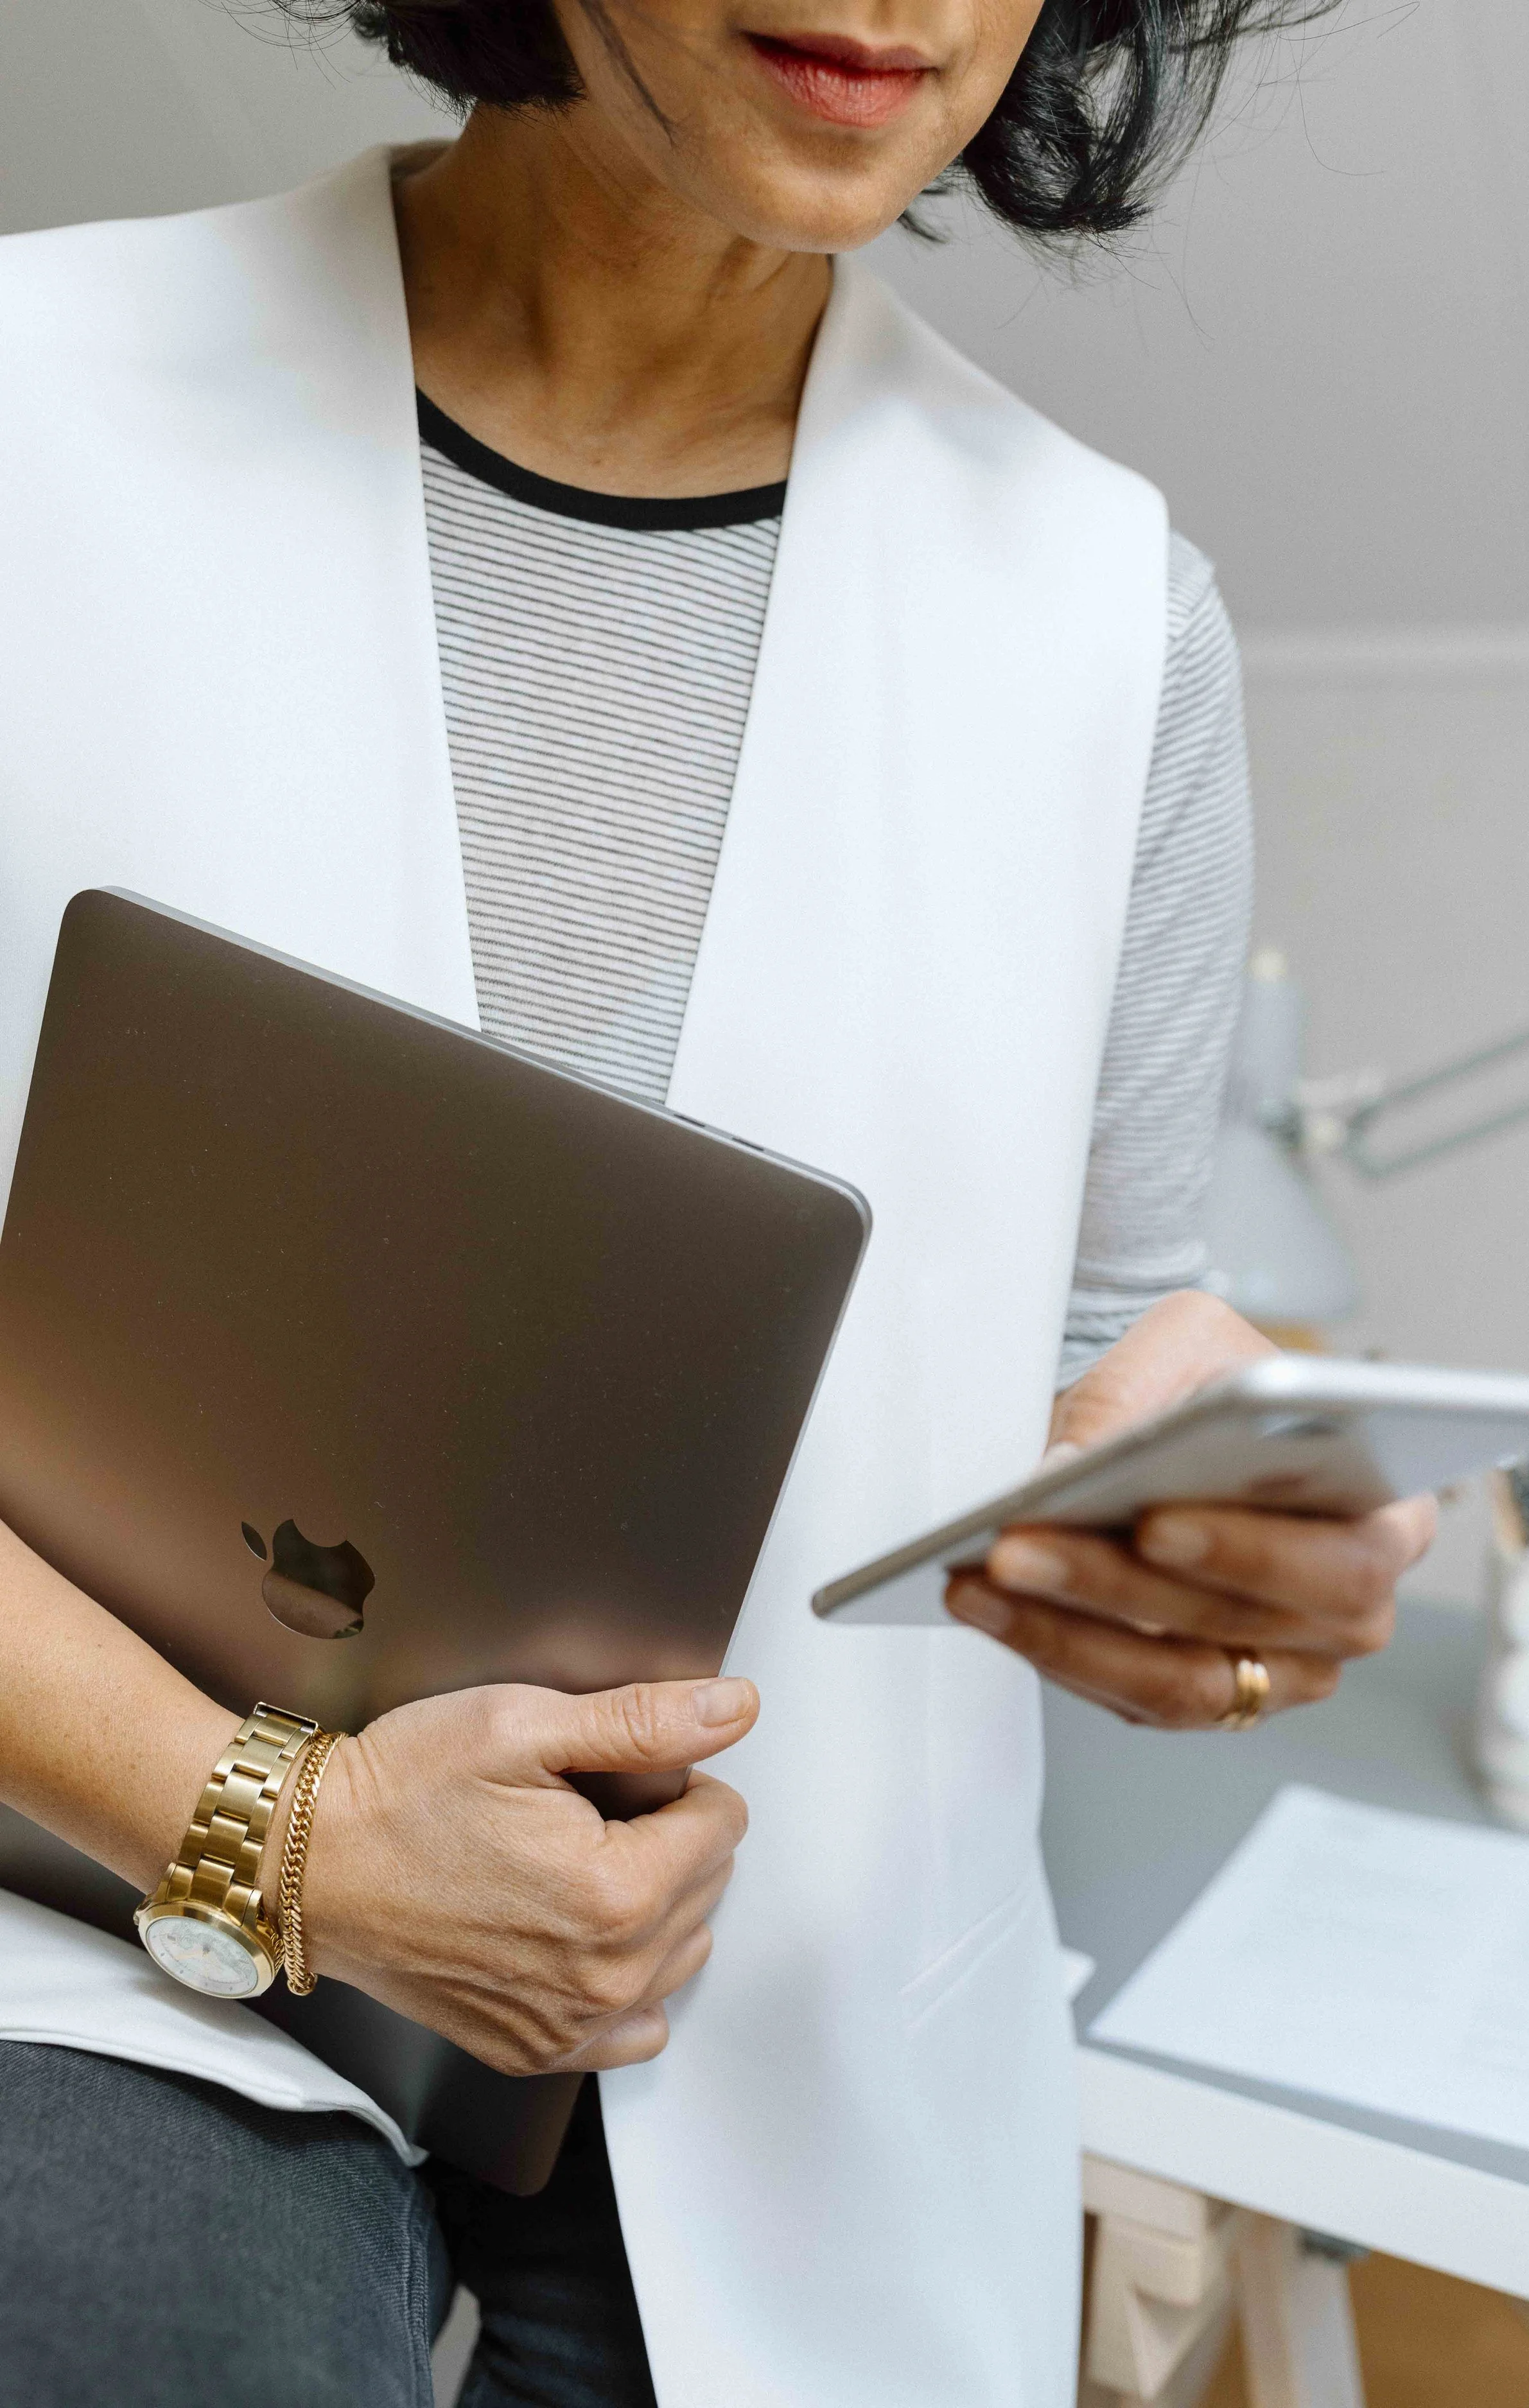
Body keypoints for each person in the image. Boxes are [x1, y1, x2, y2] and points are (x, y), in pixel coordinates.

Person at [0, 1, 1433, 2400]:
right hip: (84, 1893)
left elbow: (1099, 1356)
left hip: (779, 2004)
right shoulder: (33, 416)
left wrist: (1218, 1543)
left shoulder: (1108, 617)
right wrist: (285, 1831)